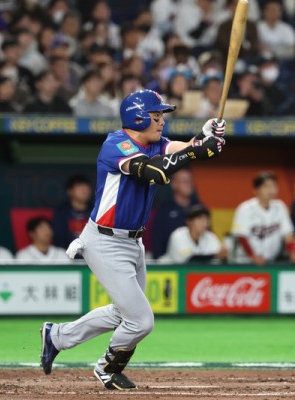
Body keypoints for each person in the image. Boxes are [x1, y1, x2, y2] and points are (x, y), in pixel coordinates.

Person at [40, 89, 226, 390]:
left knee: (123, 312)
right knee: (141, 321)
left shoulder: (156, 143)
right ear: (138, 118)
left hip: (133, 242)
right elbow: (156, 172)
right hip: (105, 241)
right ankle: (107, 367)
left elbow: (184, 149)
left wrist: (205, 138)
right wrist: (197, 150)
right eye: (156, 116)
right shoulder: (116, 144)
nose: (162, 121)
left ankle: (57, 336)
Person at [230, 172, 295, 266]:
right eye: (266, 186)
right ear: (256, 190)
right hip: (245, 262)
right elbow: (241, 236)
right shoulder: (244, 209)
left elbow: (288, 235)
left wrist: (293, 253)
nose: (271, 190)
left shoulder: (280, 207)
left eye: (273, 186)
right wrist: (253, 256)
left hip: (270, 261)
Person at [150, 168, 199, 260]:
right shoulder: (164, 211)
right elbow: (157, 241)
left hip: (197, 261)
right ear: (174, 184)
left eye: (190, 180)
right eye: (184, 181)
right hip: (169, 262)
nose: (189, 184)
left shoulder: (199, 209)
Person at [159, 204, 224, 263]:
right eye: (200, 219)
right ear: (189, 221)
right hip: (167, 270)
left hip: (199, 272)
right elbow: (187, 260)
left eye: (206, 219)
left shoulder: (211, 237)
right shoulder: (178, 236)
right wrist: (215, 256)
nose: (204, 223)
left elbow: (219, 258)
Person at [52, 175, 93, 250]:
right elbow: (58, 239)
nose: (84, 190)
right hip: (66, 254)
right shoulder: (62, 213)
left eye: (86, 187)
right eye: (79, 187)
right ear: (70, 191)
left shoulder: (96, 211)